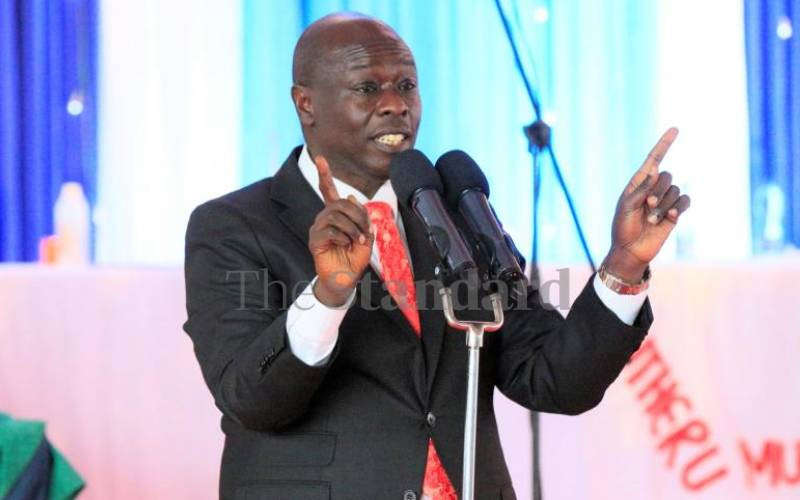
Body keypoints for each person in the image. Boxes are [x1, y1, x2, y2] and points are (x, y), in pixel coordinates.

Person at [183, 12, 690, 500]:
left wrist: (624, 264)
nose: (395, 105)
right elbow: (250, 399)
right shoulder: (232, 226)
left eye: (406, 85)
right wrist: (328, 295)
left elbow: (554, 380)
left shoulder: (455, 212)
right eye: (367, 88)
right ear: (306, 104)